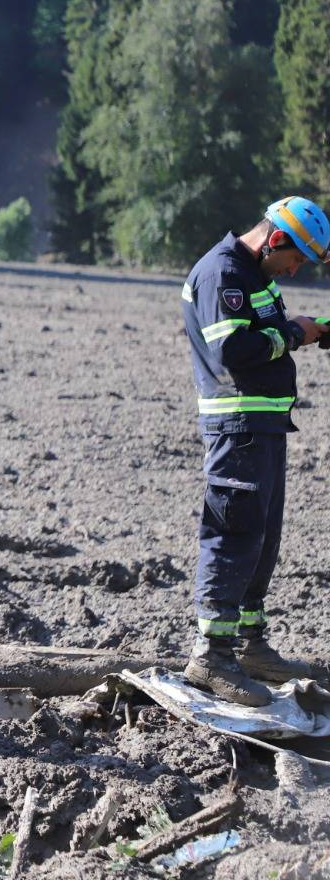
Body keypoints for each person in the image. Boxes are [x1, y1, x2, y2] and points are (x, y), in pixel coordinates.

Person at [179, 197, 328, 705]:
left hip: (263, 423)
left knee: (262, 537)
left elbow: (264, 336)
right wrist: (292, 333)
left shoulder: (255, 275)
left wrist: (313, 332)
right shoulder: (222, 273)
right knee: (234, 532)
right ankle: (211, 657)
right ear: (276, 240)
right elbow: (233, 349)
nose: (297, 270)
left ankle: (250, 643)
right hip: (237, 424)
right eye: (298, 259)